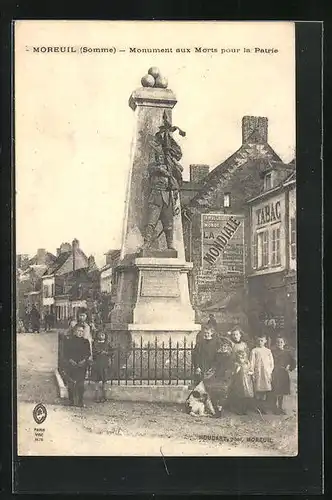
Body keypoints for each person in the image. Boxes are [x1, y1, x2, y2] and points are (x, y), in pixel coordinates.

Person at [63, 324, 90, 407]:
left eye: (82, 331)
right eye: (78, 331)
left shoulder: (85, 342)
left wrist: (84, 361)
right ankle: (71, 401)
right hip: (72, 364)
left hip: (82, 365)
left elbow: (88, 353)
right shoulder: (69, 341)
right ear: (74, 331)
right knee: (71, 383)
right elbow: (65, 352)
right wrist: (70, 360)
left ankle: (80, 401)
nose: (80, 333)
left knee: (80, 384)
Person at [271, 336, 296, 414]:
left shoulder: (287, 352)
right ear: (276, 343)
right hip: (275, 372)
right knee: (275, 390)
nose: (279, 344)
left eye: (281, 342)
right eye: (278, 342)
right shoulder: (272, 352)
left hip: (283, 373)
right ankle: (275, 408)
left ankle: (280, 407)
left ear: (284, 343)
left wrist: (289, 367)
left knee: (282, 391)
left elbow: (293, 362)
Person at [249, 334, 274, 414]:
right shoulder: (254, 350)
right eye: (259, 340)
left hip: (266, 373)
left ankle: (263, 407)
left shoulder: (268, 351)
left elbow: (271, 363)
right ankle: (257, 407)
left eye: (262, 340)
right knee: (258, 390)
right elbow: (252, 362)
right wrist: (252, 372)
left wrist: (269, 371)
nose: (260, 342)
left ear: (265, 341)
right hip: (258, 373)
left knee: (264, 390)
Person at [228, 350, 255, 415]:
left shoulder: (247, 363)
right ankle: (239, 410)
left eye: (243, 358)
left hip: (247, 382)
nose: (242, 360)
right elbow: (234, 373)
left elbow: (251, 371)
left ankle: (245, 409)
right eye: (240, 358)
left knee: (246, 396)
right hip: (239, 382)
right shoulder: (236, 364)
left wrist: (250, 373)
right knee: (240, 396)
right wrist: (237, 369)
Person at [91, 330, 110, 403]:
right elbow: (93, 351)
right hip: (96, 364)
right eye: (100, 334)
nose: (101, 336)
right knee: (96, 380)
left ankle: (104, 396)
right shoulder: (94, 343)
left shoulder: (107, 344)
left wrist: (107, 353)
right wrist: (99, 352)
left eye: (103, 334)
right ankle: (96, 396)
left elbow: (112, 351)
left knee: (104, 380)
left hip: (104, 364)